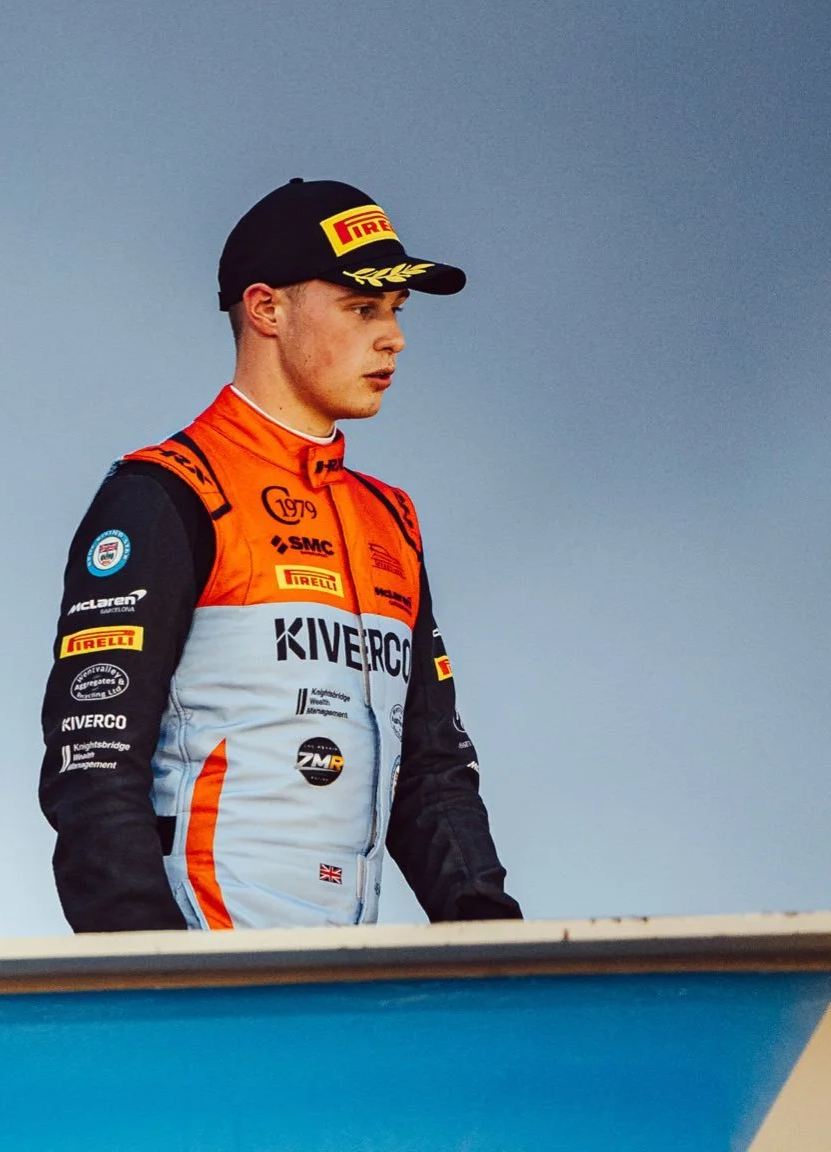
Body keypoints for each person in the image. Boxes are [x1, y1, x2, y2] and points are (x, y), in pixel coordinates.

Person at [38, 178, 520, 931]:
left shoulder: (389, 518)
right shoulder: (167, 494)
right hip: (207, 962)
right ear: (266, 309)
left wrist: (495, 943)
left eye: (397, 310)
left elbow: (431, 770)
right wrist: (151, 965)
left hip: (338, 973)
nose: (393, 337)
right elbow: (94, 767)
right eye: (362, 308)